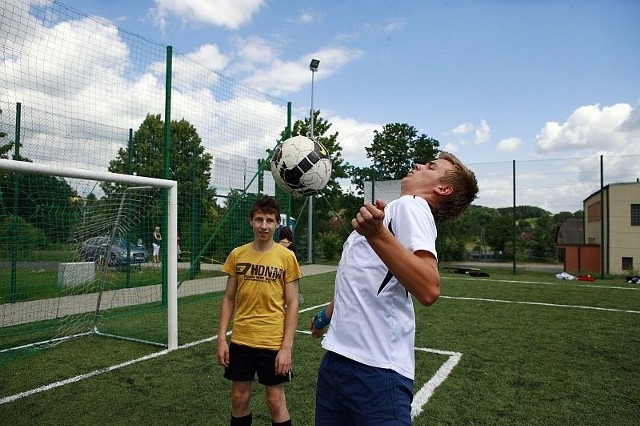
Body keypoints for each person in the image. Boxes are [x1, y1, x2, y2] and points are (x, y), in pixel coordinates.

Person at [311, 152, 478, 425]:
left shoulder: (412, 206)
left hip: (375, 370)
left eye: (430, 166)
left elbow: (429, 288)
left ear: (443, 188)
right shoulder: (392, 212)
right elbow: (361, 279)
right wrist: (326, 316)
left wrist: (377, 234)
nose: (418, 165)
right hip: (338, 359)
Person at [216, 195, 303, 426]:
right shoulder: (238, 254)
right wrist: (222, 338)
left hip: (272, 341)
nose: (264, 226)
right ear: (251, 221)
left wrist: (287, 348)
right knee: (238, 398)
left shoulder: (287, 257)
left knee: (275, 401)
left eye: (269, 221)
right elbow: (228, 297)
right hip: (242, 338)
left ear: (277, 223)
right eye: (259, 219)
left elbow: (293, 303)